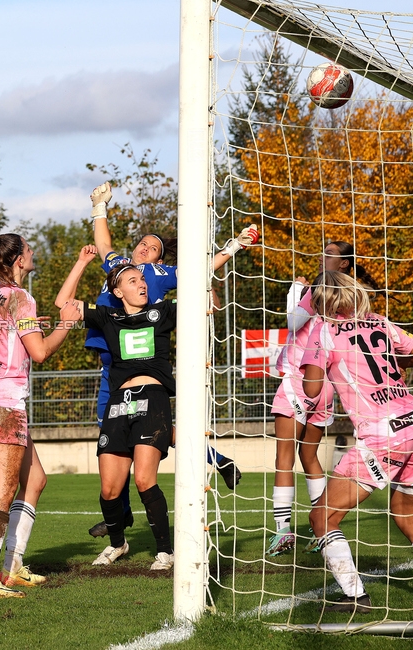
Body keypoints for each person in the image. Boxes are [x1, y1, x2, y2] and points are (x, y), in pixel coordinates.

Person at [84, 182, 255, 538]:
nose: (144, 248)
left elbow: (200, 270)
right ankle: (218, 462)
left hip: (140, 369)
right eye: (142, 243)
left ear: (159, 260)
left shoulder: (156, 276)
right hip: (111, 367)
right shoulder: (119, 267)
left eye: (153, 248)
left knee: (127, 435)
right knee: (121, 437)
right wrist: (100, 207)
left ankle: (125, 514)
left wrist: (234, 246)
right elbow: (104, 245)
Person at [300, 271, 413, 613]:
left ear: (319, 300)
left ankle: (355, 597)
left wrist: (311, 368)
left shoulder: (322, 330)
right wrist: (391, 363)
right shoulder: (379, 321)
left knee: (321, 519)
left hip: (381, 436)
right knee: (406, 518)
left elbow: (312, 391)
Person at [0, 233, 81, 598]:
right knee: (5, 486)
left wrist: (15, 330)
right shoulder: (20, 297)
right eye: (29, 250)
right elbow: (42, 352)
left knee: (36, 481)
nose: (33, 253)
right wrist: (67, 323)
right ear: (17, 260)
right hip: (4, 398)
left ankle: (12, 568)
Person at [56, 246, 176, 570]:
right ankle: (118, 544)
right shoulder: (109, 317)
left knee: (144, 481)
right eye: (133, 279)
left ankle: (166, 551)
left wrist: (229, 250)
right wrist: (81, 261)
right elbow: (63, 305)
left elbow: (202, 292)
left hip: (153, 399)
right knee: (109, 490)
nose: (142, 284)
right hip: (119, 404)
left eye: (143, 279)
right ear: (117, 290)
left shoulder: (163, 312)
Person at [266, 241, 379, 556]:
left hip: (299, 377)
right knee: (310, 456)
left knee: (284, 459)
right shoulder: (351, 298)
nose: (322, 256)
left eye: (329, 254)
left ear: (343, 264)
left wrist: (296, 293)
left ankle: (283, 532)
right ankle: (322, 527)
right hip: (327, 384)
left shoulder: (318, 291)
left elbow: (292, 323)